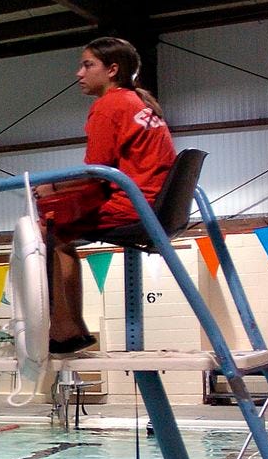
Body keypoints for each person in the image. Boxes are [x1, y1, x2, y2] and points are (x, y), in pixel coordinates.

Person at [35, 37, 176, 354]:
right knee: (61, 231)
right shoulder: (136, 102)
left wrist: (51, 188)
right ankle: (71, 327)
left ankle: (63, 328)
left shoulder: (109, 107)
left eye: (87, 65)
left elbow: (96, 177)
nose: (79, 73)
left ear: (112, 70)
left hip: (135, 203)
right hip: (152, 200)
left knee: (47, 229)